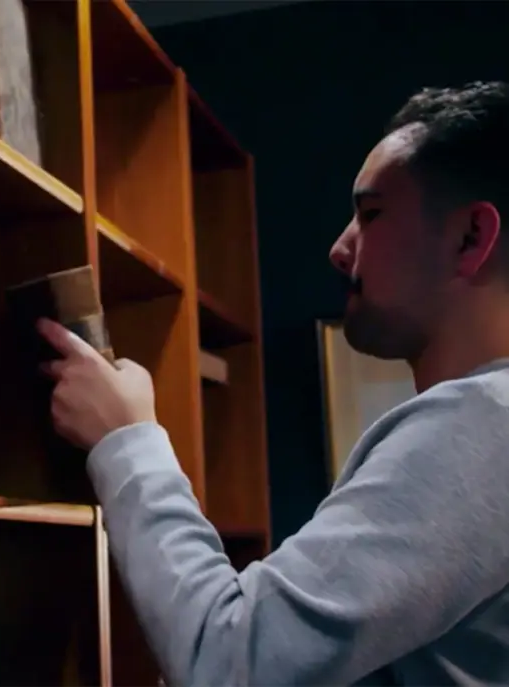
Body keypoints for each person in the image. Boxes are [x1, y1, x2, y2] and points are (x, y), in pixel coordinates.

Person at [37, 80, 509, 685]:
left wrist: (127, 441)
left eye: (372, 214)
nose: (341, 248)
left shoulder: (478, 429)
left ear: (471, 237)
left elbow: (230, 662)